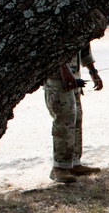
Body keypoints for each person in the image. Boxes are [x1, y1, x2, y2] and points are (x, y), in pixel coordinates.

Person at [44, 43, 104, 183]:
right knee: (64, 122)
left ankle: (74, 164)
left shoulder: (80, 24)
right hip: (57, 78)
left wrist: (93, 71)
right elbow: (53, 48)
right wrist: (64, 69)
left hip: (73, 77)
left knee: (76, 120)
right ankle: (59, 168)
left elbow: (84, 48)